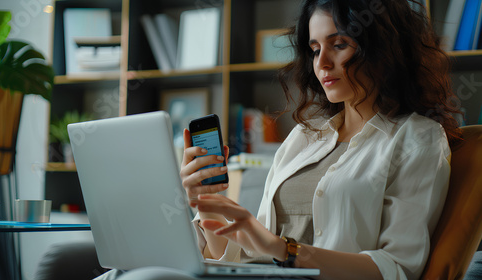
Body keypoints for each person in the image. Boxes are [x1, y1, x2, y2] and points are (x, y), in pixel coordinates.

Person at [95, 0, 461, 279]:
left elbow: (395, 269)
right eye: (315, 49)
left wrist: (283, 249)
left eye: (339, 44)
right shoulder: (305, 137)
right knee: (121, 273)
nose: (322, 63)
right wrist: (209, 204)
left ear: (382, 48)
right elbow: (245, 255)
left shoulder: (418, 139)